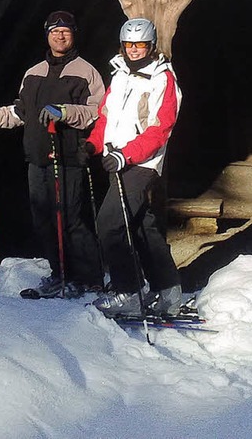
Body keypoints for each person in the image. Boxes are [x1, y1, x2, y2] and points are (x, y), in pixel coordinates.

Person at [0, 10, 105, 298]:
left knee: (69, 219)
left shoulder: (86, 72)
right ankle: (60, 274)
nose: (60, 35)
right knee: (44, 220)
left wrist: (66, 112)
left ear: (73, 34)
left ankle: (90, 278)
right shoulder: (33, 73)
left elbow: (97, 112)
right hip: (37, 157)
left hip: (67, 156)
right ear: (47, 35)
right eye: (55, 31)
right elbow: (21, 112)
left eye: (65, 31)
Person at [84, 17, 183, 317]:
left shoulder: (163, 79)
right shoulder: (120, 75)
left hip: (142, 163)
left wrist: (126, 155)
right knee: (142, 226)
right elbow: (106, 117)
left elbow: (159, 129)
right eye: (129, 45)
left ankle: (127, 291)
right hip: (118, 159)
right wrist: (92, 144)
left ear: (151, 46)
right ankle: (168, 290)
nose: (135, 50)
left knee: (109, 223)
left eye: (141, 45)